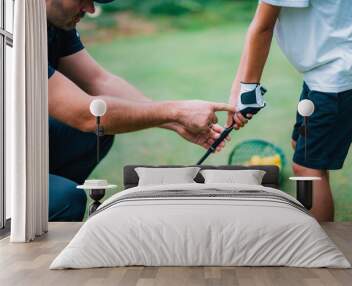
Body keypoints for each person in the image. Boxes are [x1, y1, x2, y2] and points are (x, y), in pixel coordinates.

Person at [46, 0, 236, 221]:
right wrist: (175, 112)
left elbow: (99, 80)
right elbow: (87, 116)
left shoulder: (55, 25)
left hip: (17, 147)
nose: (90, 9)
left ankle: (45, 195)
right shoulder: (14, 32)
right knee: (66, 199)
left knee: (93, 137)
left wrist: (174, 121)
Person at [228, 0, 352, 221]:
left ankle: (317, 249)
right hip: (330, 68)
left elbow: (263, 27)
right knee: (301, 148)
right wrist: (239, 95)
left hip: (338, 73)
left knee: (306, 168)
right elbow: (259, 25)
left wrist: (248, 93)